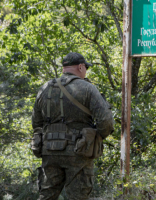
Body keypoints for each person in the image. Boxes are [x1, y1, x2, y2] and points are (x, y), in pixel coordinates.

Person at [31, 52, 114, 200]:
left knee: (46, 196)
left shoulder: (44, 89)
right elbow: (106, 121)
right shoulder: (87, 88)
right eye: (86, 68)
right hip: (79, 152)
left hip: (50, 151)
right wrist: (95, 137)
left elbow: (36, 123)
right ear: (81, 67)